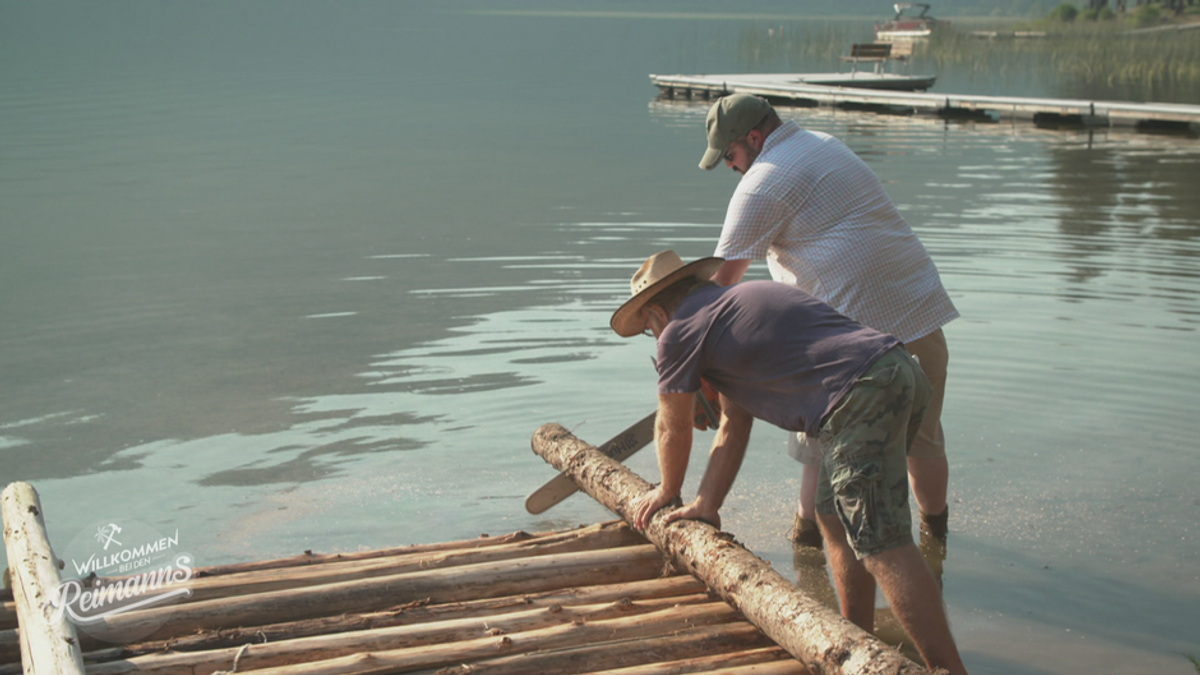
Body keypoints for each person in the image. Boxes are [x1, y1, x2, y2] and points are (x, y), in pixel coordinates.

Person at [613, 250, 968, 675]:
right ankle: (858, 642)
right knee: (830, 513)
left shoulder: (678, 332)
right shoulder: (734, 304)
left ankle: (949, 670)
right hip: (896, 370)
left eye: (649, 329)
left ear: (656, 311)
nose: (654, 338)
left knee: (881, 541)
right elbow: (732, 425)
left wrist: (668, 490)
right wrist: (706, 505)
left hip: (858, 395)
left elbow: (674, 426)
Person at [698, 93, 959, 548]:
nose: (729, 166)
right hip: (918, 307)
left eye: (731, 155)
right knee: (923, 441)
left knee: (816, 450)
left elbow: (720, 286)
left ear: (754, 139)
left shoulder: (761, 183)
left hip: (851, 345)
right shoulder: (825, 144)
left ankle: (806, 547)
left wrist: (698, 367)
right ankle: (936, 542)